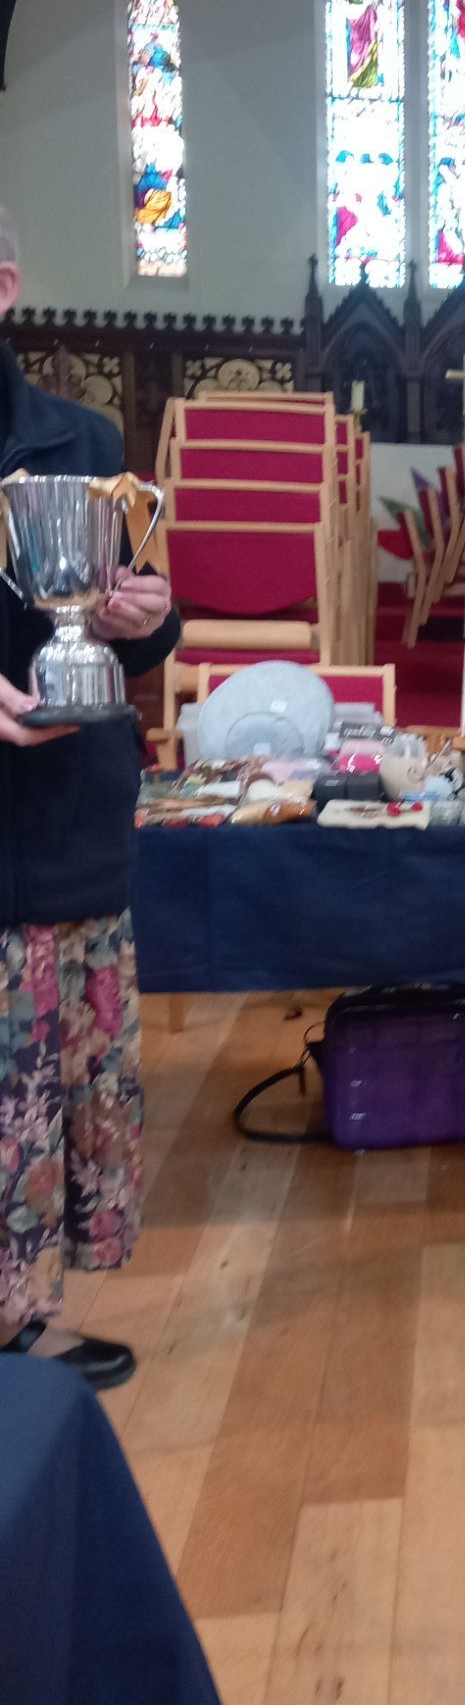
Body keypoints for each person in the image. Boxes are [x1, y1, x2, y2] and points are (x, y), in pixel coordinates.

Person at [0, 205, 180, 1389]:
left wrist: (139, 617)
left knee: (56, 1075)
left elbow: (140, 630)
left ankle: (22, 1315)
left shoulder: (80, 438)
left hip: (63, 809)